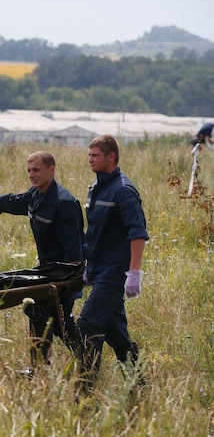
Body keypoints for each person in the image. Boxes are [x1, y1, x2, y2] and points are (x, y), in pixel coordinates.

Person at [0, 151, 84, 369]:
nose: (31, 175)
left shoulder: (63, 203)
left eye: (36, 170)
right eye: (29, 170)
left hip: (63, 275)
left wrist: (71, 285)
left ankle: (88, 360)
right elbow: (12, 202)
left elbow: (74, 250)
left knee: (61, 325)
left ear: (51, 169)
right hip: (45, 271)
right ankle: (38, 369)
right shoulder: (36, 195)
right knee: (36, 312)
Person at [77, 135, 148, 396]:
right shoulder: (97, 189)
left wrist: (134, 273)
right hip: (98, 270)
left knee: (87, 325)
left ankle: (85, 392)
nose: (90, 159)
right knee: (115, 332)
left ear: (111, 157)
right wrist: (88, 265)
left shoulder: (123, 191)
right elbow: (94, 231)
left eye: (95, 155)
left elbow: (137, 232)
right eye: (90, 155)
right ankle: (138, 384)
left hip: (114, 273)